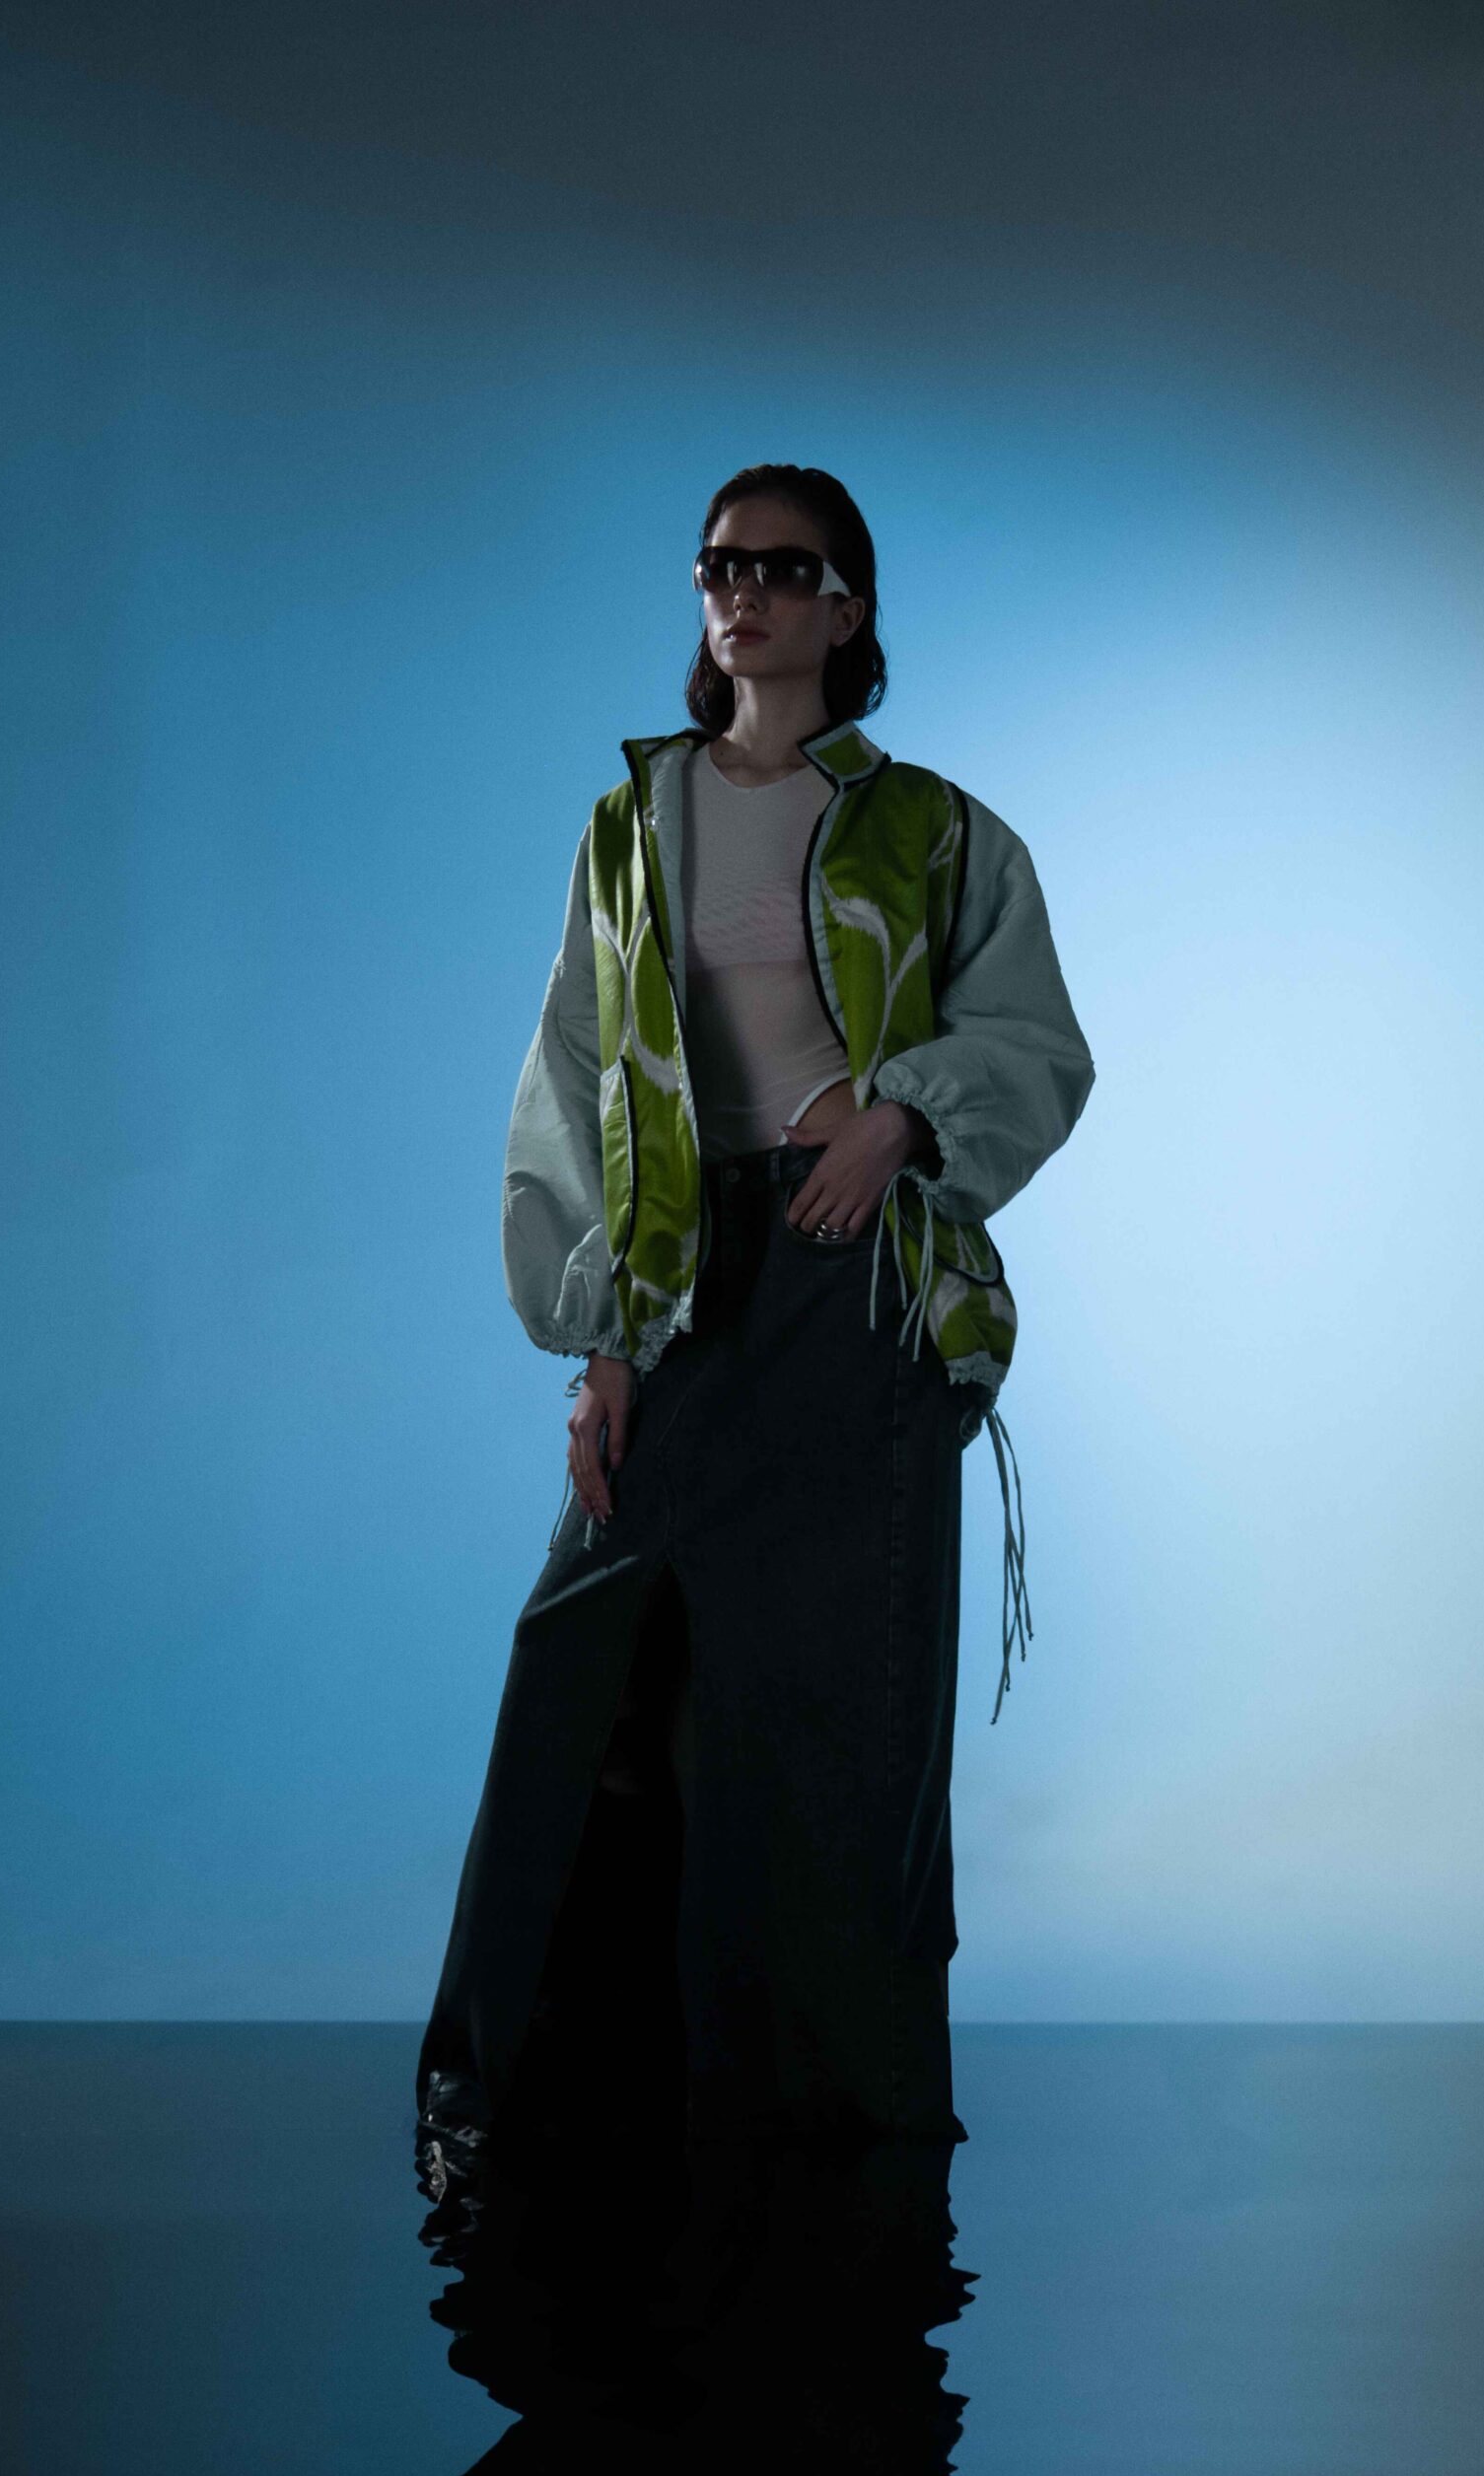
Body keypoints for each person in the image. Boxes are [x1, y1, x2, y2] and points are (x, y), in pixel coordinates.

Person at [415, 463, 1093, 2192]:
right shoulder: (631, 828)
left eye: (786, 569)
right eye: (722, 565)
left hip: (856, 1283)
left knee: (838, 1713)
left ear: (847, 605)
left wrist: (902, 1116)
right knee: (585, 1670)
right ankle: (534, 2123)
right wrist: (605, 1342)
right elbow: (579, 1081)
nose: (747, 594)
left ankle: (838, 2140)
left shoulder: (937, 830)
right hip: (683, 1275)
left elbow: (1035, 1040)